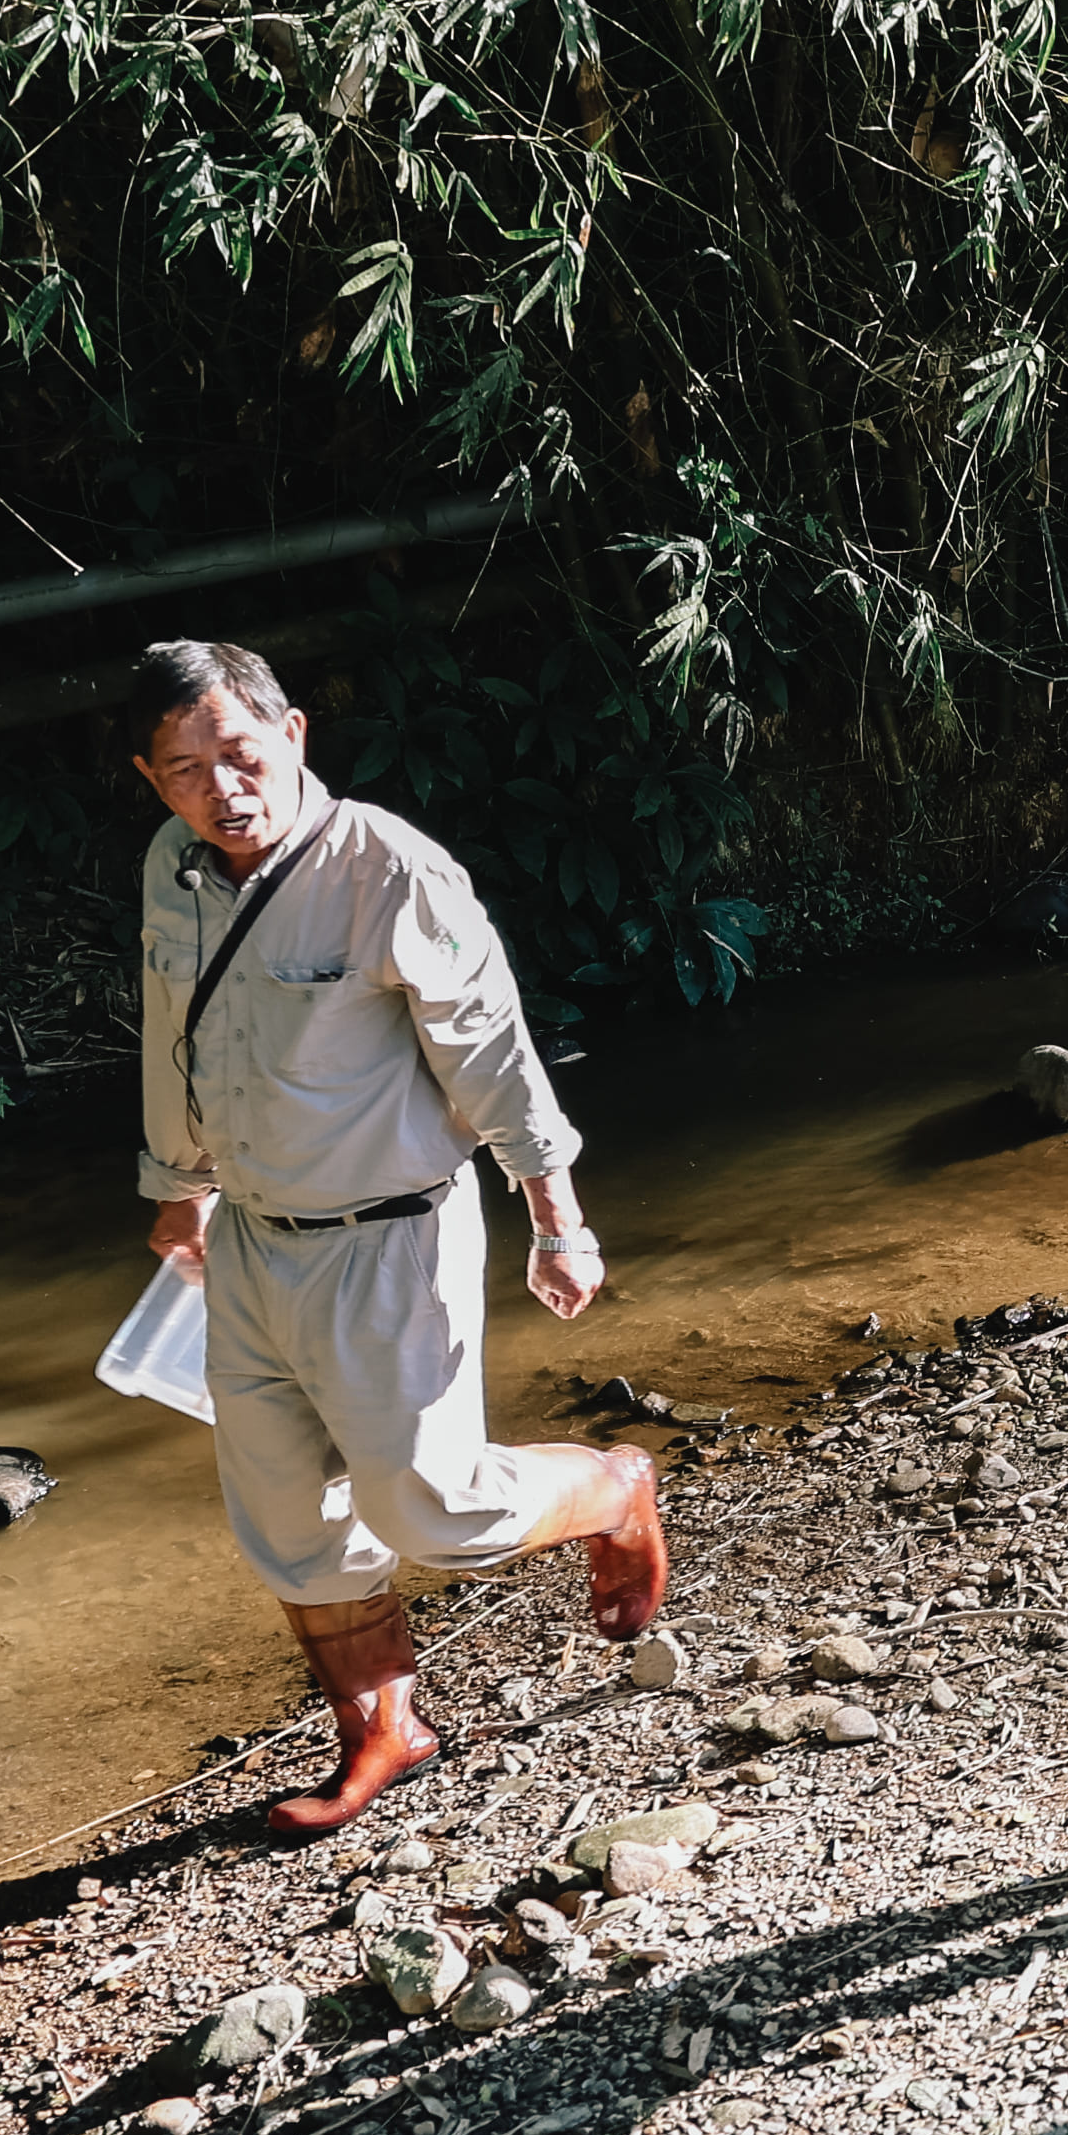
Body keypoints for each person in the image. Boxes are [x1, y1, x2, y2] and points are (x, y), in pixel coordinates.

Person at [128, 639, 656, 1837]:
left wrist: (556, 1217)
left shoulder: (391, 870)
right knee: (290, 1519)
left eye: (243, 754)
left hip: (391, 1238)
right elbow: (172, 1024)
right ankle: (383, 1732)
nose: (223, 788)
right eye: (187, 768)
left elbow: (496, 1054)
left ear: (297, 735)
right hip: (252, 1240)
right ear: (152, 779)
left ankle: (616, 1488)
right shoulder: (174, 866)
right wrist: (177, 1184)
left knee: (438, 1510)